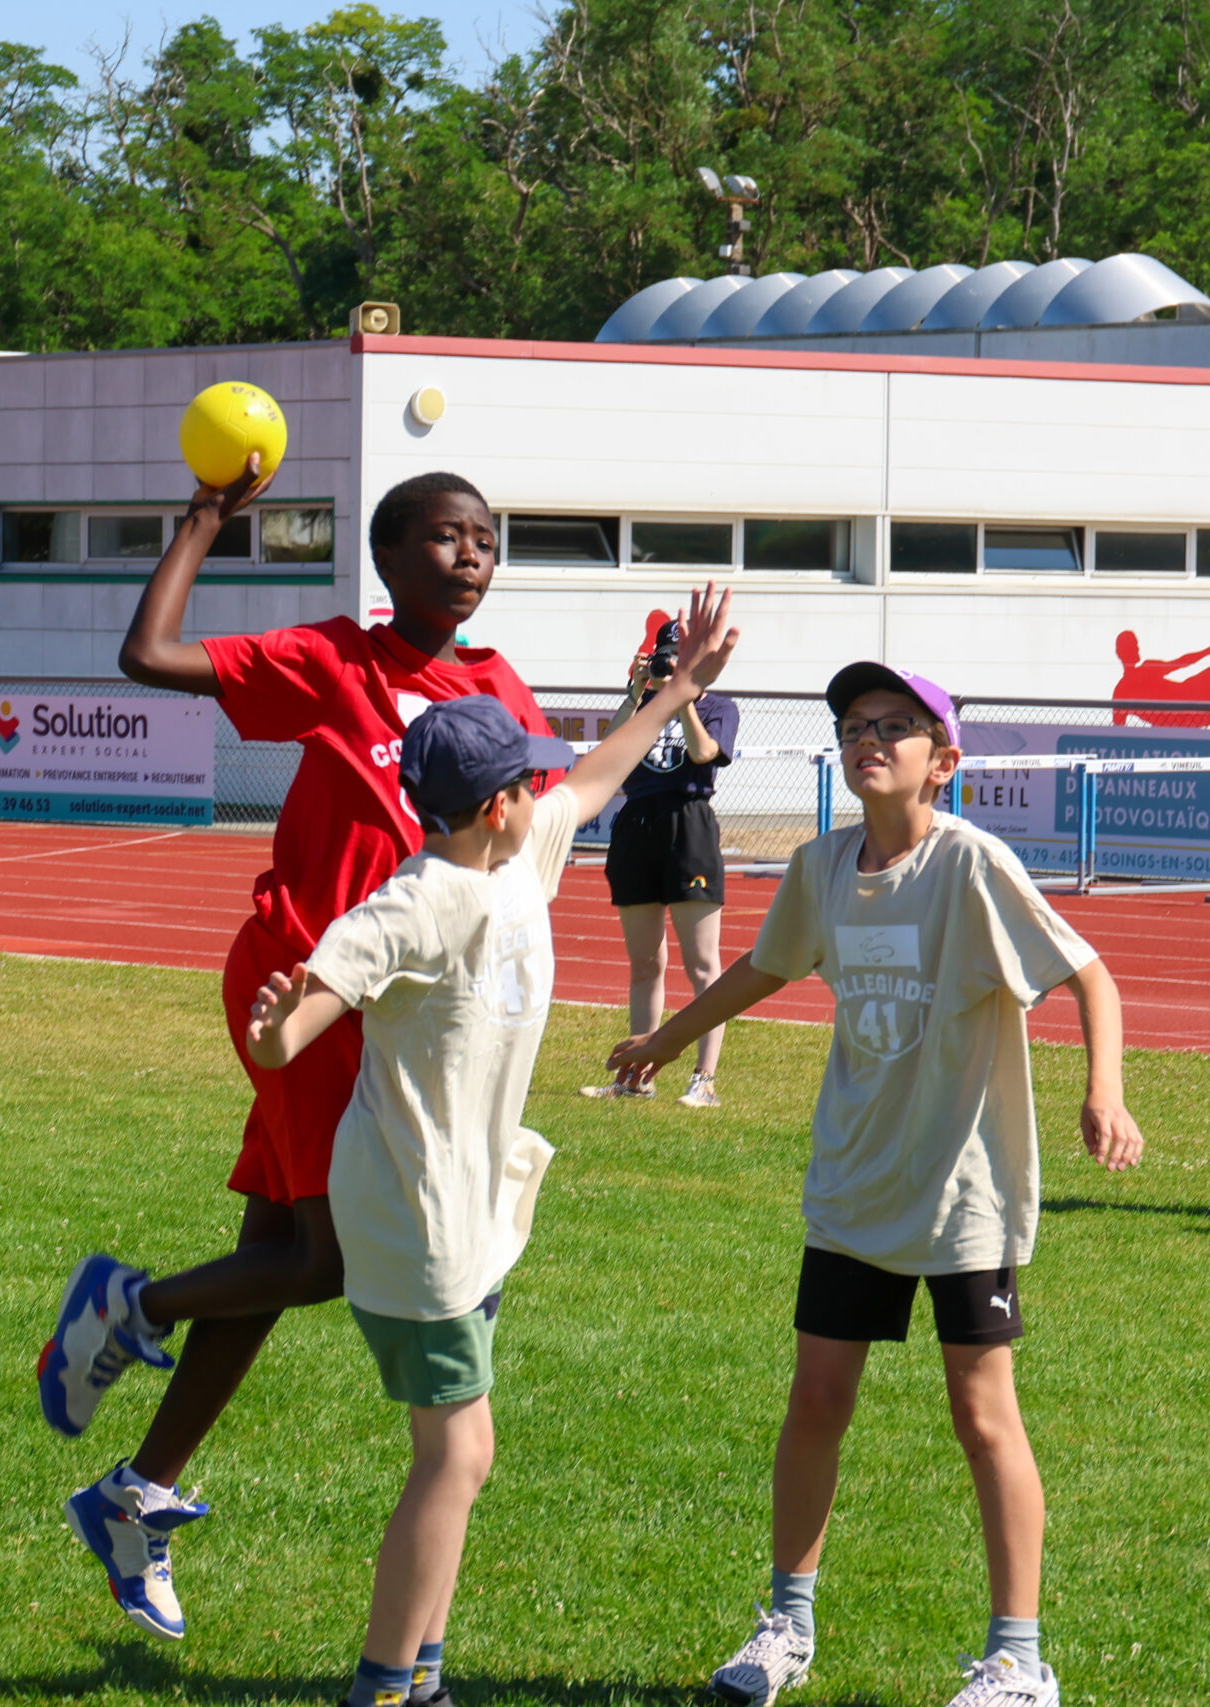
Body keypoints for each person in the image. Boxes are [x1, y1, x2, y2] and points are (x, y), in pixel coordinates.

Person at [36, 461, 561, 1642]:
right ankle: (128, 1304)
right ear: (389, 559)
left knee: (274, 1253)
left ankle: (137, 1494)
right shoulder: (335, 661)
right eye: (445, 537)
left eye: (485, 539)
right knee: (326, 1260)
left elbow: (535, 824)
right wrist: (203, 523)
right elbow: (149, 657)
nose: (470, 556)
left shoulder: (496, 684)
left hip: (390, 1008)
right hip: (302, 984)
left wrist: (665, 696)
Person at [607, 661, 1143, 1707]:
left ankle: (1019, 1661)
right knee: (817, 1399)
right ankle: (786, 1626)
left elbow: (1089, 973)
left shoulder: (971, 863)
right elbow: (765, 966)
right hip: (855, 1177)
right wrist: (667, 1040)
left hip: (960, 1187)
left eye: (895, 726)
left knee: (982, 1414)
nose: (869, 739)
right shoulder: (821, 865)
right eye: (855, 723)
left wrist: (1104, 1092)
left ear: (943, 762)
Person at [240, 595, 738, 1707]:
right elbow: (300, 1024)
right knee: (455, 1455)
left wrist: (677, 691)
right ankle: (383, 1687)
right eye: (527, 780)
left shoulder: (517, 861)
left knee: (462, 1454)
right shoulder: (416, 903)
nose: (545, 793)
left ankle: (419, 1676)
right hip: (415, 1214)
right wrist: (274, 1028)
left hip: (474, 1209)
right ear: (496, 805)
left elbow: (596, 778)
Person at [580, 611, 739, 1109]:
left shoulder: (719, 707)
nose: (673, 666)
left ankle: (704, 1079)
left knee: (702, 964)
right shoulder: (643, 706)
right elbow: (610, 751)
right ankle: (635, 1078)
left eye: (682, 658)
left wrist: (682, 696)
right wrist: (637, 692)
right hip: (637, 826)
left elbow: (703, 752)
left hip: (688, 824)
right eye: (669, 657)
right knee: (646, 963)